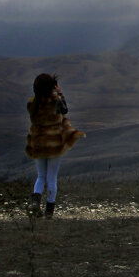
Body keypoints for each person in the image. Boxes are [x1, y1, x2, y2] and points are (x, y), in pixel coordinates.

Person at [25, 73, 84, 218]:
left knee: (41, 176)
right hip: (54, 144)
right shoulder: (56, 101)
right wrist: (60, 93)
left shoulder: (32, 104)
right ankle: (49, 211)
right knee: (52, 177)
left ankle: (35, 202)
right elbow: (65, 110)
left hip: (38, 143)